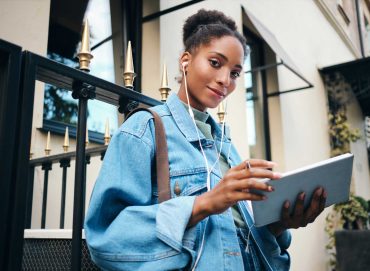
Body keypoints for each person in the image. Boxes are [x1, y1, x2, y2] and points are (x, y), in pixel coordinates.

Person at [85, 9, 326, 271]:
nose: (225, 80)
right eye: (215, 62)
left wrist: (280, 224)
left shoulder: (225, 145)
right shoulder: (143, 130)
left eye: (235, 73)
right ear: (185, 60)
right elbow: (105, 237)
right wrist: (204, 204)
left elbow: (239, 235)